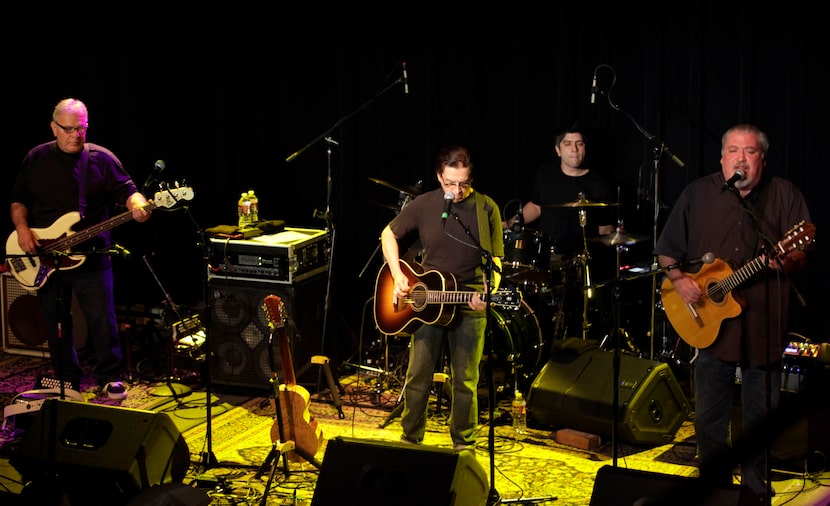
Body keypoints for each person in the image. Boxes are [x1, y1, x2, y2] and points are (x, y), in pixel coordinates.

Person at [655, 124, 811, 501]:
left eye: (751, 152)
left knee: (760, 418)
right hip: (709, 329)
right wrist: (679, 281)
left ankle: (756, 489)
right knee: (710, 418)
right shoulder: (698, 193)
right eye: (734, 151)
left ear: (762, 159)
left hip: (763, 325)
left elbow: (802, 251)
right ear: (722, 158)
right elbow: (667, 249)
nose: (742, 158)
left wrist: (785, 261)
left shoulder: (784, 193)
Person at [9, 98, 152, 398]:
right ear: (53, 128)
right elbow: (19, 200)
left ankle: (110, 376)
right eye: (69, 129)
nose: (76, 134)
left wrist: (138, 205)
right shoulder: (35, 158)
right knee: (54, 319)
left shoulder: (101, 159)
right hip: (46, 257)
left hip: (92, 254)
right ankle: (66, 376)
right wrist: (22, 229)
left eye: (82, 128)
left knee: (102, 318)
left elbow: (128, 190)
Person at [380, 145, 504, 452]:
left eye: (463, 183)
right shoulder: (424, 204)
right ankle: (410, 441)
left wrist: (490, 291)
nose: (457, 190)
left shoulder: (486, 208)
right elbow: (388, 235)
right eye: (450, 183)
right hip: (426, 303)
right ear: (439, 177)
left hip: (468, 302)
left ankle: (464, 446)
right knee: (418, 376)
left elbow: (496, 263)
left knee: (464, 382)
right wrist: (397, 274)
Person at [503, 122, 616, 341]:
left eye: (579, 144)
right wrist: (508, 225)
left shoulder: (599, 184)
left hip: (579, 261)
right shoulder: (545, 174)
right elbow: (535, 207)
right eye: (568, 144)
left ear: (585, 148)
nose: (574, 149)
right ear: (558, 149)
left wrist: (612, 241)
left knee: (578, 316)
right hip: (546, 257)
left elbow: (605, 231)